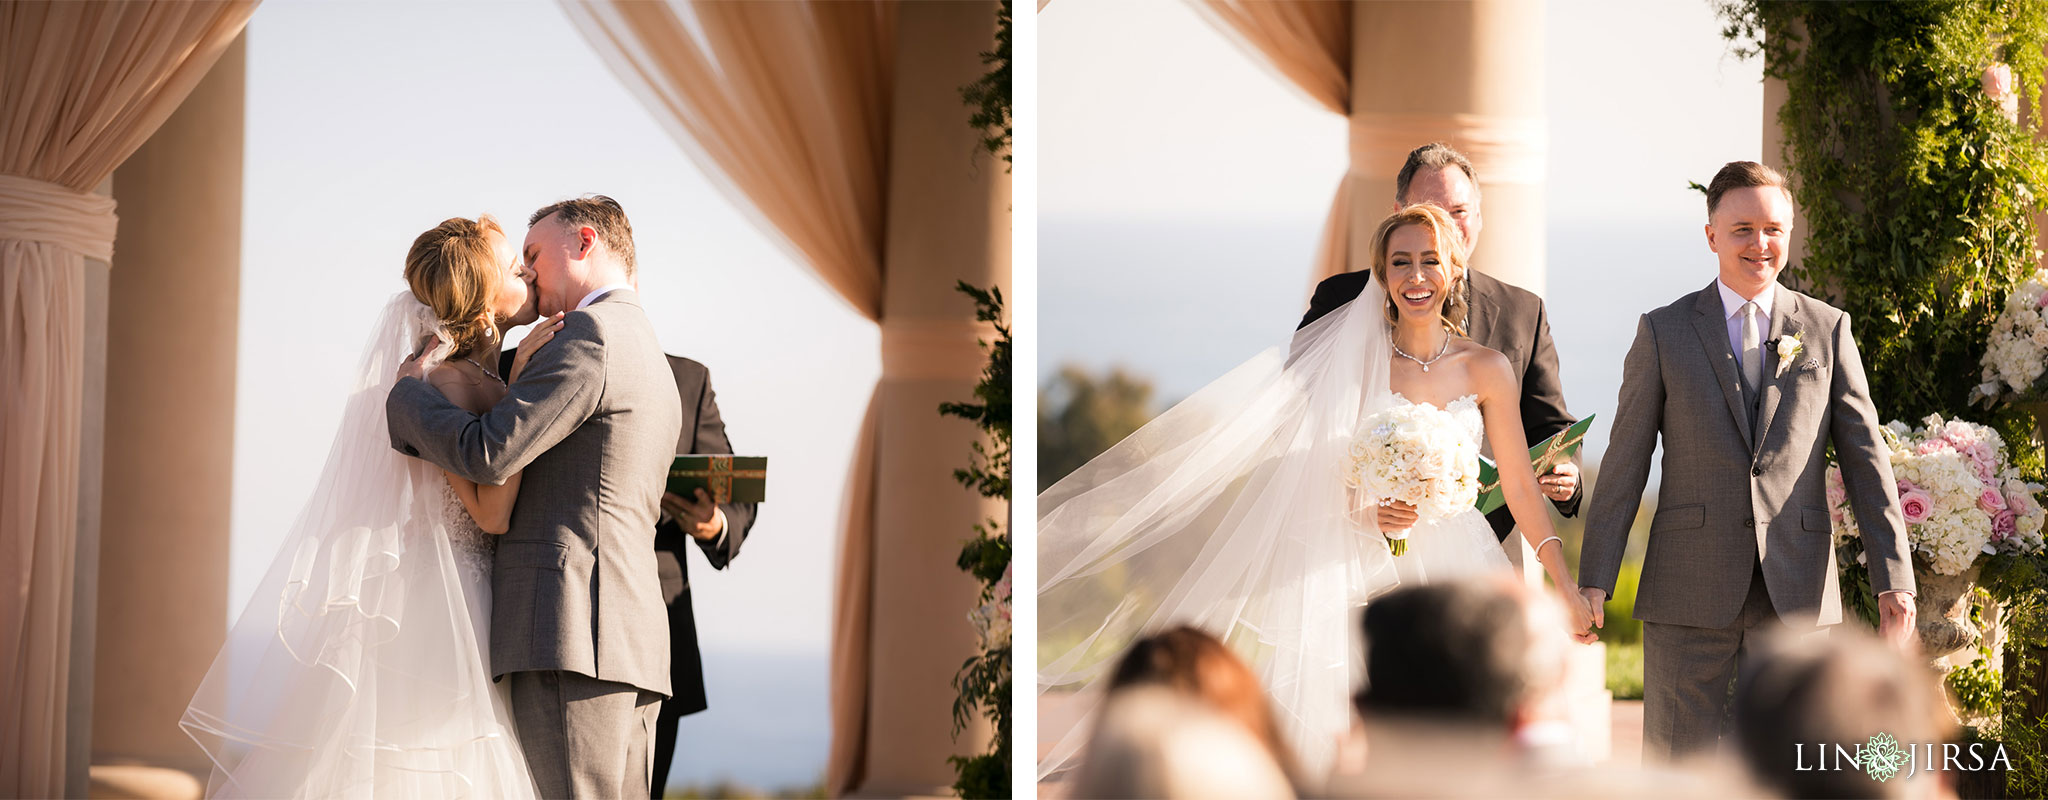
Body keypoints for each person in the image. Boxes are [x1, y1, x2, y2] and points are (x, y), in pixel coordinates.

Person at [1038, 203, 1596, 781]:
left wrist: (1565, 586)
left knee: (1464, 725)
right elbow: (1328, 473)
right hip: (1361, 568)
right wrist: (1372, 510)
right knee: (1358, 725)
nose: (1416, 276)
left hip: (1462, 563)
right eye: (1400, 263)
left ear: (1454, 269)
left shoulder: (1488, 367)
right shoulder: (1358, 360)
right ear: (1382, 275)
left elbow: (1519, 488)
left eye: (1430, 261)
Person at [181, 215, 550, 797]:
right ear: (483, 307)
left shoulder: (480, 375)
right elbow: (490, 514)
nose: (527, 272)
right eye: (513, 268)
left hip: (480, 586)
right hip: (452, 599)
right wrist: (527, 390)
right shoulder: (447, 385)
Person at [1577, 161, 1917, 761]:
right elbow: (1627, 460)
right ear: (1711, 235)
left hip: (1798, 589)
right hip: (1688, 586)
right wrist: (1595, 579)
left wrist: (1896, 580)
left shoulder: (1827, 329)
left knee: (1798, 765)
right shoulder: (1664, 331)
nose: (1760, 244)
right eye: (1742, 229)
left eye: (1774, 229)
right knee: (1675, 764)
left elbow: (1867, 462)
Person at [387, 195, 684, 797]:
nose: (526, 271)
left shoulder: (588, 337)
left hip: (570, 636)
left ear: (583, 242)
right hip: (627, 645)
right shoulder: (646, 343)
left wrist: (408, 397)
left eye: (533, 254)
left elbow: (490, 454)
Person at [1300, 143, 1582, 544]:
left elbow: (1549, 422)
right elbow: (1302, 414)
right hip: (1364, 548)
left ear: (1479, 218)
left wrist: (1566, 471)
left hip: (1488, 545)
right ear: (1399, 215)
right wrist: (1359, 507)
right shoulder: (1339, 300)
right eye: (1430, 211)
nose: (1446, 226)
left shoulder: (1523, 310)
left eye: (1459, 212)